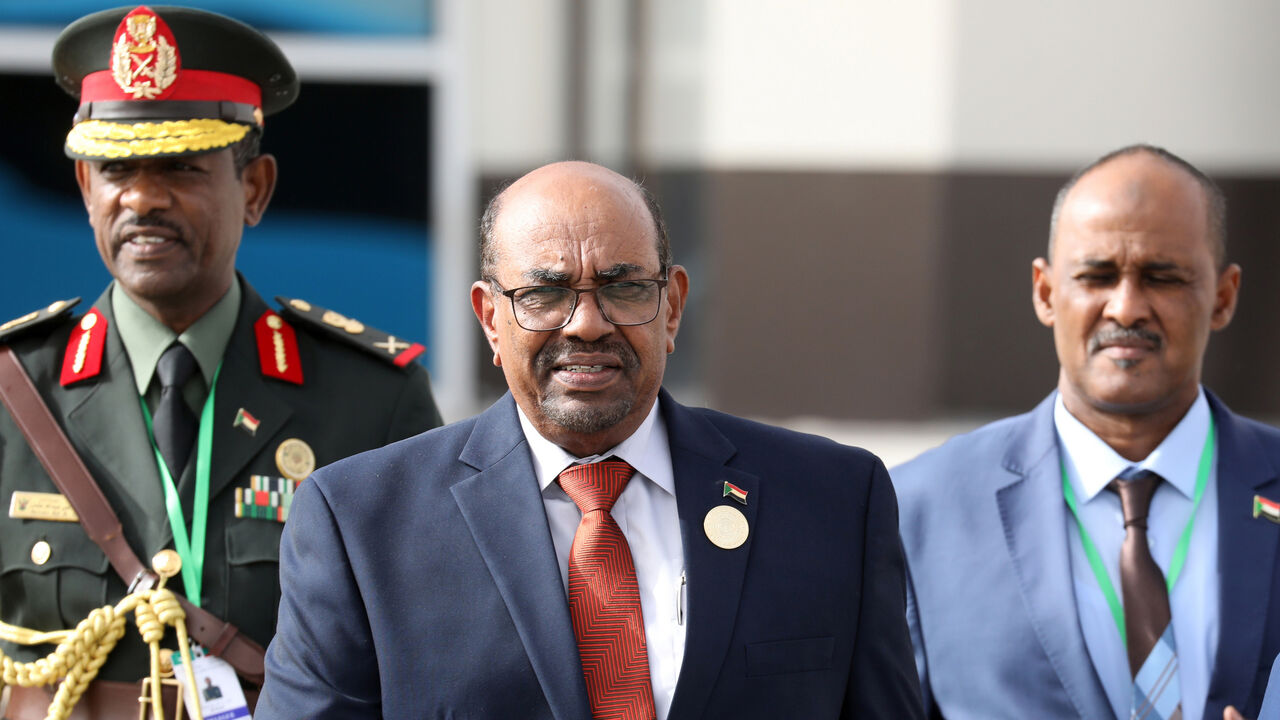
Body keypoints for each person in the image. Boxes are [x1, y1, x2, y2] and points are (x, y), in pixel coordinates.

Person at [254, 160, 924, 719]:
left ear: (674, 306)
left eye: (624, 287)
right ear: (490, 319)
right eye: (545, 294)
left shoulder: (832, 502)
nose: (587, 324)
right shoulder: (361, 523)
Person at [0, 6, 442, 718]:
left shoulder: (372, 401)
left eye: (181, 167)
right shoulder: (14, 390)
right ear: (86, 190)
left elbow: (429, 662)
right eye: (114, 168)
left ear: (256, 189)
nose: (142, 198)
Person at [892, 144, 1280, 720]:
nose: (1126, 307)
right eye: (1097, 275)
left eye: (1162, 277)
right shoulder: (918, 510)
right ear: (1046, 292)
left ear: (1223, 297)